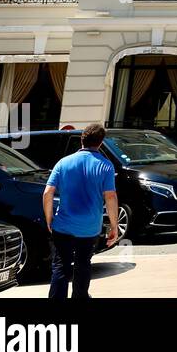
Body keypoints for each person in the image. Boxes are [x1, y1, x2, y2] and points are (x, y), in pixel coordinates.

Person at [44, 122, 118, 299]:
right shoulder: (106, 166)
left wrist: (49, 219)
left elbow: (48, 193)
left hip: (63, 225)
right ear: (100, 143)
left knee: (61, 265)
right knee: (83, 263)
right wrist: (114, 226)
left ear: (81, 140)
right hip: (89, 226)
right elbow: (110, 197)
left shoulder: (63, 163)